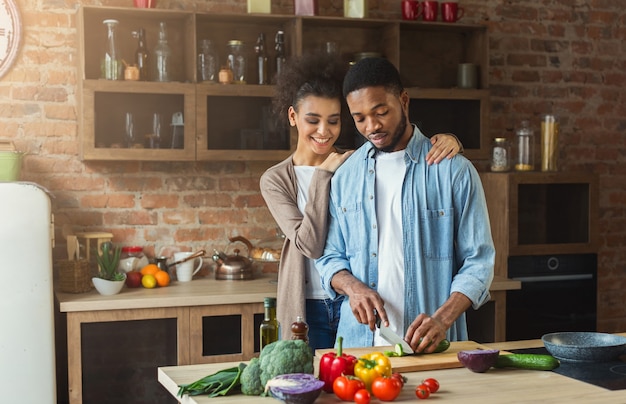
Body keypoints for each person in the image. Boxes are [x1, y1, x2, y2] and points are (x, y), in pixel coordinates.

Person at [260, 53, 463, 351]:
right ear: (293, 117)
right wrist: (321, 176)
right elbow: (312, 245)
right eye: (312, 120)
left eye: (333, 120)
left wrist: (452, 140)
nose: (323, 131)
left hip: (349, 308)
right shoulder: (278, 179)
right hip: (308, 304)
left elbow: (401, 152)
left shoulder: (353, 165)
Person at [315, 57, 495, 352]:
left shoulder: (453, 171)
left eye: (381, 112)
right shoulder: (344, 177)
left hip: (435, 346)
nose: (372, 126)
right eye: (359, 118)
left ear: (404, 101)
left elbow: (479, 262)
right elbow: (329, 257)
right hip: (359, 347)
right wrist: (353, 287)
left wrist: (442, 319)